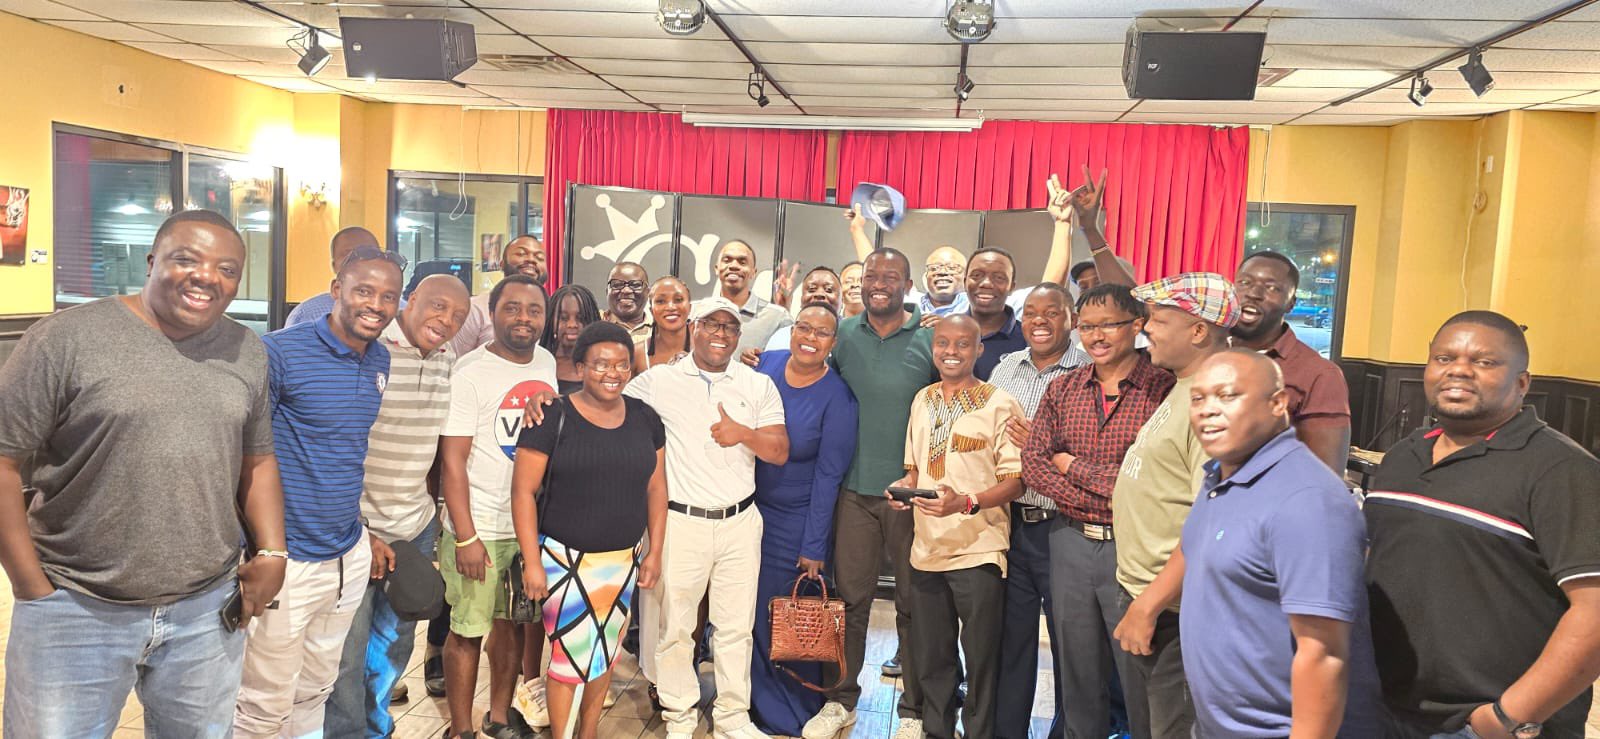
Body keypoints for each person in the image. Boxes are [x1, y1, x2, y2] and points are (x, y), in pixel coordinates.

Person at [0, 210, 287, 737]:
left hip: (207, 609)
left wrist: (272, 550)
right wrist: (30, 586)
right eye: (186, 259)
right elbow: (3, 459)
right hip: (74, 606)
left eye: (226, 269)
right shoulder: (64, 340)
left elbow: (258, 457)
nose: (207, 277)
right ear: (152, 262)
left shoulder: (246, 348)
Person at [1367, 312, 1600, 739]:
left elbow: (1595, 610)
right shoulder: (1403, 456)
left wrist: (1508, 718)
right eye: (1444, 357)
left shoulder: (1563, 470)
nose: (1459, 369)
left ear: (1523, 383)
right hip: (1385, 708)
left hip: (1484, 724)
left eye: (1485, 362)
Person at [1135, 350, 1381, 737]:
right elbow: (1197, 545)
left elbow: (1323, 653)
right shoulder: (1222, 475)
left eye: (1227, 396)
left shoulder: (1307, 500)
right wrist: (1149, 604)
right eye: (1198, 399)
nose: (1207, 410)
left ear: (1278, 403)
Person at [235, 245, 403, 737]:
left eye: (389, 296)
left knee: (316, 689)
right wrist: (263, 547)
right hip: (287, 556)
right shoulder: (279, 352)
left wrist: (362, 533)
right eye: (364, 291)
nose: (376, 304)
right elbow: (244, 454)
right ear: (336, 291)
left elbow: (344, 452)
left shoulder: (380, 360)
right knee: (262, 704)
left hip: (345, 554)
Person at [623, 296, 788, 739]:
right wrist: (549, 397)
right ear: (694, 327)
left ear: (738, 336)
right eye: (711, 325)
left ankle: (732, 719)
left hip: (740, 520)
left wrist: (743, 433)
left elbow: (779, 450)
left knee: (736, 628)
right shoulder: (659, 380)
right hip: (680, 520)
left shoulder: (757, 385)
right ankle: (680, 716)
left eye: (729, 328)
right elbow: (608, 407)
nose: (720, 334)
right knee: (675, 626)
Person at [1021, 283, 1175, 739]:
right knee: (1077, 671)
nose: (1096, 336)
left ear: (1137, 326)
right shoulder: (1062, 388)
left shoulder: (1165, 391)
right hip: (1067, 541)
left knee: (1139, 672)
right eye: (1086, 326)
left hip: (1134, 546)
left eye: (1108, 324)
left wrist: (1073, 467)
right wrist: (1099, 488)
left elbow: (1149, 483)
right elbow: (1033, 463)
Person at [324, 274, 471, 738]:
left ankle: (375, 727)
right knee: (346, 650)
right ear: (410, 301)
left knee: (392, 645)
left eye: (458, 316)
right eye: (437, 306)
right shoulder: (372, 352)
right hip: (355, 528)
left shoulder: (452, 361)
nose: (446, 321)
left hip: (416, 524)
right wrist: (357, 526)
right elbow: (335, 446)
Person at [802, 248, 936, 739]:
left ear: (907, 283)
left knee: (912, 604)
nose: (879, 284)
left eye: (891, 277)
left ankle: (913, 710)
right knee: (849, 602)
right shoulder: (844, 336)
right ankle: (840, 701)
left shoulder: (929, 337)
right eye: (871, 275)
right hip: (853, 493)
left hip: (911, 496)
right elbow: (808, 372)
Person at [511, 321, 668, 739]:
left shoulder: (646, 418)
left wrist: (653, 552)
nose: (612, 372)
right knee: (568, 659)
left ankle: (589, 732)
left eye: (620, 364)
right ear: (579, 367)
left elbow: (657, 486)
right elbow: (523, 493)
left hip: (623, 561)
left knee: (604, 653)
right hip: (564, 560)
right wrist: (532, 563)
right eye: (600, 364)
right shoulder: (550, 416)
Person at [1105, 273, 1238, 739]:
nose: (1147, 330)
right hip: (1150, 597)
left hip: (1177, 610)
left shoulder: (1217, 403)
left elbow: (1214, 520)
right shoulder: (1183, 387)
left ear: (1198, 330)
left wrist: (1150, 604)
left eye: (1159, 321)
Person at [887, 315, 1025, 739]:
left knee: (981, 656)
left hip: (979, 548)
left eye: (962, 344)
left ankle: (979, 732)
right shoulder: (922, 400)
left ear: (979, 349)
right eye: (943, 343)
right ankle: (937, 730)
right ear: (932, 348)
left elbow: (1016, 481)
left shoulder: (1000, 403)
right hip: (926, 550)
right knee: (933, 655)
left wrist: (966, 502)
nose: (951, 351)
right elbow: (913, 471)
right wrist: (902, 489)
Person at [438, 275, 560, 739]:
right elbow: (452, 461)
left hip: (527, 524)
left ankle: (500, 716)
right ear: (492, 313)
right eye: (512, 308)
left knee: (511, 627)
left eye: (533, 310)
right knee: (468, 630)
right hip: (480, 526)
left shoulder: (546, 361)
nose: (523, 318)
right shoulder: (470, 371)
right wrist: (466, 536)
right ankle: (461, 728)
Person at [748, 305, 859, 736]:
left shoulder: (839, 397)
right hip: (745, 511)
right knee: (748, 615)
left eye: (823, 332)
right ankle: (748, 703)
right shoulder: (765, 365)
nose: (810, 337)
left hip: (794, 522)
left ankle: (790, 710)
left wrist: (814, 546)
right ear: (791, 330)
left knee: (785, 616)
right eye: (804, 327)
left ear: (834, 343)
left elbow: (829, 477)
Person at [988, 283, 1091, 739]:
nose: (1040, 320)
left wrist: (1042, 445)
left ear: (1071, 319)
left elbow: (1097, 451)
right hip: (1010, 524)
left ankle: (1066, 733)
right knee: (1011, 641)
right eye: (1030, 312)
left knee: (1073, 646)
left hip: (1066, 527)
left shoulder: (1089, 370)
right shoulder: (1006, 367)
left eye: (1052, 312)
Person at [1228, 251, 1352, 471]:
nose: (1254, 293)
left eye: (1272, 288)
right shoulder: (1207, 352)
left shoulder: (1319, 374)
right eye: (1245, 282)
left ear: (1291, 304)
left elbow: (1326, 475)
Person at [450, 234, 548, 358]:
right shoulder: (476, 308)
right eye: (521, 254)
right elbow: (456, 360)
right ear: (502, 264)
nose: (531, 260)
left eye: (539, 257)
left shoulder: (548, 312)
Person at [701, 239, 793, 352]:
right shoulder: (696, 312)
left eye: (742, 262)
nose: (734, 266)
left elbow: (784, 361)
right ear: (716, 269)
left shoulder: (778, 317)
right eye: (727, 260)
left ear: (753, 272)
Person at [285, 226, 380, 327]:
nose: (360, 261)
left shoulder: (397, 312)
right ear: (334, 266)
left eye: (368, 254)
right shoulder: (307, 315)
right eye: (349, 254)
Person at [966, 247, 1028, 381]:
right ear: (964, 281)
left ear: (1012, 287)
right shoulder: (942, 331)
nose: (986, 283)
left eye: (999, 278)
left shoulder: (1027, 340)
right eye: (976, 276)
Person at [761, 266, 843, 352]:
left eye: (828, 290)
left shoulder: (851, 335)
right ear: (801, 299)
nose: (819, 294)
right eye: (812, 289)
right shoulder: (782, 337)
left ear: (842, 300)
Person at [544, 284, 603, 395]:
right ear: (551, 320)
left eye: (580, 318)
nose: (572, 325)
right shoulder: (540, 362)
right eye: (563, 318)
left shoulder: (604, 364)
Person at [635, 276, 692, 372]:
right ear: (651, 310)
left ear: (690, 307)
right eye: (660, 301)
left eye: (678, 300)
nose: (670, 307)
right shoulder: (636, 354)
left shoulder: (707, 348)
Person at [602, 261, 652, 341]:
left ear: (648, 292)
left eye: (635, 285)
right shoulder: (592, 324)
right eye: (617, 285)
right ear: (607, 291)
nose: (626, 290)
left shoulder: (660, 332)